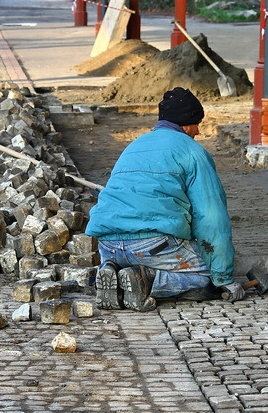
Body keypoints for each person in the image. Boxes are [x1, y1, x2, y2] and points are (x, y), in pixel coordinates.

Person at [85, 87, 245, 311]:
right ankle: (146, 279)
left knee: (129, 258)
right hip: (151, 245)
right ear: (185, 123)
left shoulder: (135, 145)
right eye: (196, 123)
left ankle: (114, 271)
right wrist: (224, 278)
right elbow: (211, 218)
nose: (198, 131)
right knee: (205, 278)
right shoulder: (192, 152)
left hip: (108, 244)